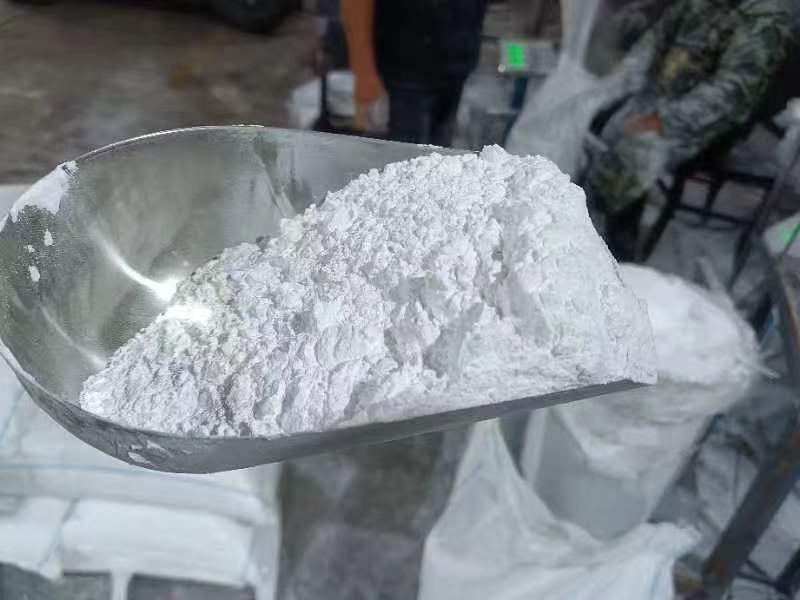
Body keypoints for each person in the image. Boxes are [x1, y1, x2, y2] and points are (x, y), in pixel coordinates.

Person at [585, 0, 792, 261]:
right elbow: (655, 39)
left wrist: (663, 120)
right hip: (662, 97)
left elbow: (730, 95)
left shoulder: (763, 19)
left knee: (635, 151)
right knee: (597, 119)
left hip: (710, 123)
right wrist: (620, 80)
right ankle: (593, 205)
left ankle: (618, 246)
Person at [340, 0, 488, 145]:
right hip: (403, 67)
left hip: (457, 62)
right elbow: (355, 5)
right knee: (402, 152)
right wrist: (365, 73)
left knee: (441, 150)